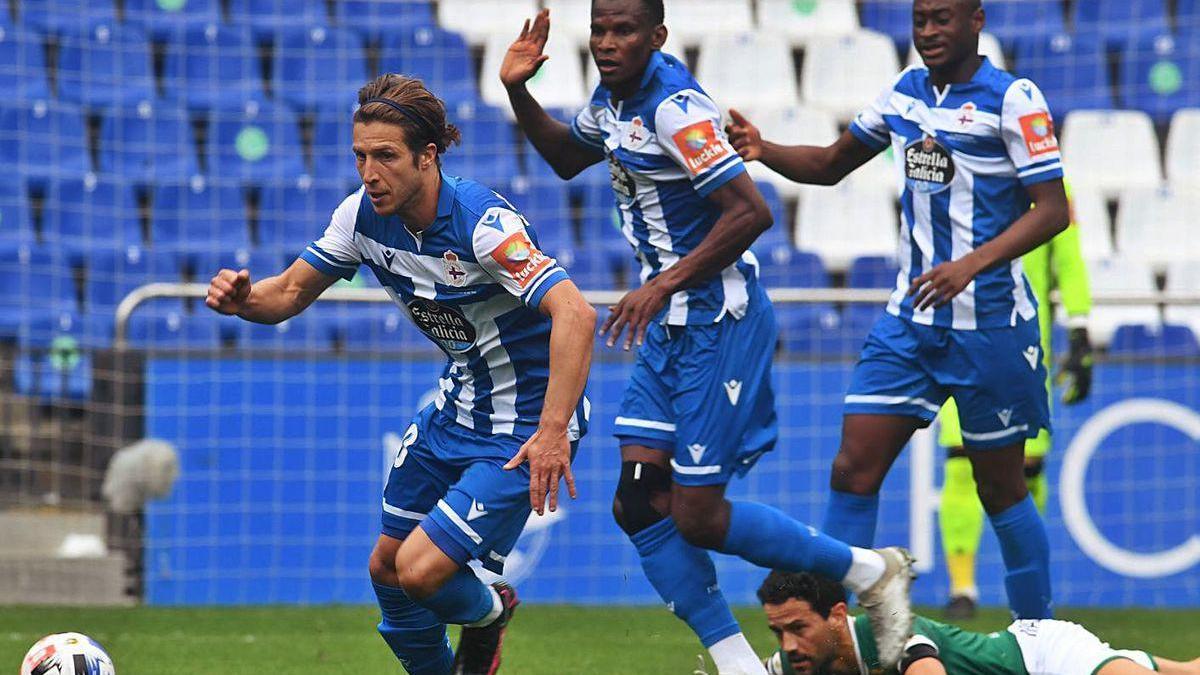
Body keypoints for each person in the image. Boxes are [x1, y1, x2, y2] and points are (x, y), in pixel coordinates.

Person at [501, 2, 915, 671]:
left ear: (657, 36)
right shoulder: (610, 101)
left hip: (720, 321)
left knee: (695, 514)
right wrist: (519, 89)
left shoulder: (677, 108)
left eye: (623, 30)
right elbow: (562, 155)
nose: (607, 43)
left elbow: (751, 212)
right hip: (669, 329)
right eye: (599, 30)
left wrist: (664, 282)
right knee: (638, 501)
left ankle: (870, 572)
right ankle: (739, 663)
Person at [206, 73, 596, 675]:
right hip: (457, 407)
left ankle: (490, 612)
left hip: (524, 425)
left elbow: (575, 312)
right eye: (360, 156)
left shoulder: (483, 226)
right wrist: (243, 300)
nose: (369, 172)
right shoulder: (361, 218)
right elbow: (284, 294)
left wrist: (551, 432)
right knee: (386, 568)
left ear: (427, 156)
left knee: (419, 569)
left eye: (385, 156)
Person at [727, 0, 1069, 619]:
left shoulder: (1013, 98)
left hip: (989, 328)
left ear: (976, 20)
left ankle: (1039, 637)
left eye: (943, 19)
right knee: (852, 468)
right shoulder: (903, 94)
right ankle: (835, 631)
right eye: (920, 20)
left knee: (1000, 487)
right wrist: (764, 148)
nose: (929, 32)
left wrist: (971, 264)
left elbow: (1053, 210)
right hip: (909, 323)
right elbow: (832, 165)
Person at [939, 180, 1093, 619]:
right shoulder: (961, 173)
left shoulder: (1051, 185)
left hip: (1027, 347)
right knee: (960, 463)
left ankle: (1028, 588)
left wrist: (1080, 330)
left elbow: (1070, 259)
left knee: (1027, 472)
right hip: (961, 341)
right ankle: (962, 589)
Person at [757, 570, 1200, 675]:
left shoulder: (885, 630)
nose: (789, 645)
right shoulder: (794, 662)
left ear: (838, 616)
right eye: (779, 632)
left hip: (1043, 659)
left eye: (799, 628)